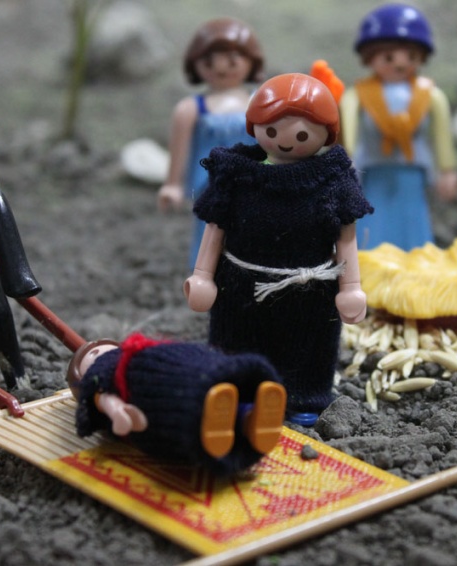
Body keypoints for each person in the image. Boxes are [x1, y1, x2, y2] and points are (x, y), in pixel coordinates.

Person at [184, 73, 373, 426]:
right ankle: (238, 392)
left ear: (326, 134)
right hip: (241, 285)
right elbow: (216, 226)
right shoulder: (237, 174)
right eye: (271, 130)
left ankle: (304, 396)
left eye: (301, 135)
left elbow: (345, 237)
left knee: (308, 346)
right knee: (237, 340)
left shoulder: (333, 178)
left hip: (310, 289)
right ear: (254, 125)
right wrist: (203, 276)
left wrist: (350, 287)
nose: (285, 141)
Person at [67, 333, 286, 476]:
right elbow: (106, 402)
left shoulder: (132, 350)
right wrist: (119, 412)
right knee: (186, 398)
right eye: (90, 356)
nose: (97, 353)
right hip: (148, 389)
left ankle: (248, 412)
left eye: (97, 349)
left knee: (205, 374)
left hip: (168, 365)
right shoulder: (99, 383)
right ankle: (244, 420)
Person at [340, 3, 457, 250]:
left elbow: (441, 132)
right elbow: (346, 122)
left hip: (411, 172)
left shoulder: (430, 94)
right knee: (372, 220)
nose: (400, 64)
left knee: (413, 221)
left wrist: (447, 170)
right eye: (389, 57)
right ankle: (367, 257)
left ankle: (417, 257)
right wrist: (345, 157)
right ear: (370, 56)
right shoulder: (360, 94)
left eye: (411, 57)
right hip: (373, 172)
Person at [157, 18, 264, 270]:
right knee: (209, 235)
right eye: (209, 61)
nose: (221, 68)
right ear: (195, 64)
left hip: (253, 183)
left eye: (232, 60)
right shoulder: (191, 108)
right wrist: (173, 184)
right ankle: (206, 277)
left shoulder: (259, 102)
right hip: (210, 187)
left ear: (251, 60)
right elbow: (179, 148)